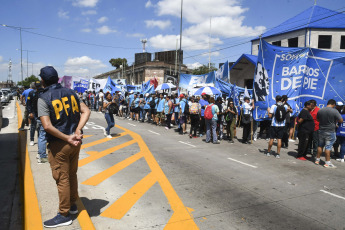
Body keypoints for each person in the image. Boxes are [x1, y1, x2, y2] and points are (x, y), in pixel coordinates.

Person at [38, 66, 90, 227]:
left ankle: (64, 213)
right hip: (75, 142)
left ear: (43, 80)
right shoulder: (71, 93)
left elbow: (46, 126)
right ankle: (72, 204)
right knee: (72, 174)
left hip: (60, 144)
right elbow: (86, 111)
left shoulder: (44, 97)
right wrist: (77, 129)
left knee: (62, 178)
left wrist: (67, 137)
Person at [315, 99, 343, 168]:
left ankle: (317, 160)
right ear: (333, 104)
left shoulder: (320, 110)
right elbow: (341, 120)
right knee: (328, 147)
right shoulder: (334, 111)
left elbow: (318, 119)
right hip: (330, 131)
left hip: (321, 130)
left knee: (320, 145)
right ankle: (327, 163)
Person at [27, 81, 48, 163]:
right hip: (39, 115)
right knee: (40, 134)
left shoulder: (37, 92)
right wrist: (31, 112)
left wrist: (30, 112)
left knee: (40, 134)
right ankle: (41, 153)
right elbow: (29, 104)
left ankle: (40, 152)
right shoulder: (34, 93)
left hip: (38, 115)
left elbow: (28, 104)